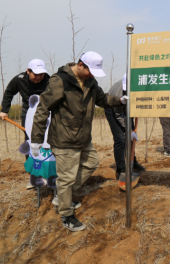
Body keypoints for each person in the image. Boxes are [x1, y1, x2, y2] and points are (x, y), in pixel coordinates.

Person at [31, 51, 128, 232]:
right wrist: (36, 139)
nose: (92, 75)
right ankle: (66, 215)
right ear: (80, 64)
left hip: (83, 137)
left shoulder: (91, 82)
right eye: (90, 70)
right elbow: (43, 109)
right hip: (64, 138)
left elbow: (103, 99)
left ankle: (62, 193)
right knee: (66, 177)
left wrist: (120, 100)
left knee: (92, 163)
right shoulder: (60, 81)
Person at [0, 58, 50, 189]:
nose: (39, 77)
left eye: (41, 74)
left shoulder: (49, 80)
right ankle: (34, 175)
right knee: (31, 143)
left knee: (48, 142)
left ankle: (49, 174)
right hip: (28, 114)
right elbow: (9, 92)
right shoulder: (19, 79)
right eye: (35, 74)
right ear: (28, 71)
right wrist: (4, 111)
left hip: (46, 113)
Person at [105, 74, 146, 179]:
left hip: (127, 109)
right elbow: (119, 115)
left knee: (131, 137)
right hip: (112, 108)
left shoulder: (140, 86)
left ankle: (133, 161)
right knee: (120, 138)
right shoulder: (119, 93)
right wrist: (129, 129)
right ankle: (121, 169)